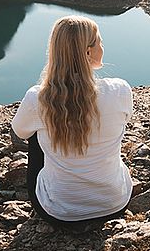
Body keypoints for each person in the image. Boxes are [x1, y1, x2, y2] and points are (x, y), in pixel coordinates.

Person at [10, 15, 134, 232]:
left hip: (59, 214)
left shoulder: (37, 98)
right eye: (100, 43)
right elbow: (125, 119)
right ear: (87, 52)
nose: (102, 47)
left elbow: (19, 131)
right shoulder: (120, 90)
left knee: (35, 136)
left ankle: (65, 191)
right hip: (115, 204)